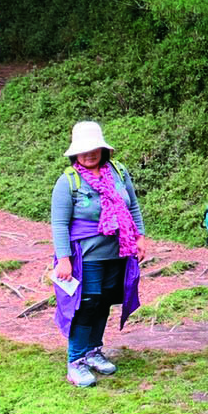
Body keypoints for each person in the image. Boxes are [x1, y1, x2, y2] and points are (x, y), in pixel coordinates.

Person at [51, 122, 148, 388]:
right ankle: (76, 361)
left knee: (104, 300)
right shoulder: (68, 182)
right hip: (87, 255)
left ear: (103, 149)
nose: (89, 154)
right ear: (75, 153)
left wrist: (139, 236)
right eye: (83, 150)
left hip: (118, 250)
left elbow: (133, 206)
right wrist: (63, 259)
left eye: (94, 148)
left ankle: (93, 351)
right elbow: (59, 224)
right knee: (87, 303)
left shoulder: (118, 172)